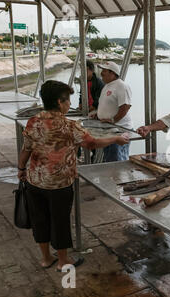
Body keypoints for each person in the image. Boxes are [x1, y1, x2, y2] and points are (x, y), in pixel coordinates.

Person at [17, 80, 129, 272]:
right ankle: (63, 261)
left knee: (40, 220)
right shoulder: (68, 125)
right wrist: (116, 138)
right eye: (67, 101)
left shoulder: (33, 121)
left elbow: (26, 148)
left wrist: (21, 169)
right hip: (59, 184)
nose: (69, 104)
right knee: (60, 221)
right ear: (60, 103)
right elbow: (92, 143)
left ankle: (45, 258)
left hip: (35, 181)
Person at [93, 61, 133, 162]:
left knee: (117, 161)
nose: (101, 73)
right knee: (110, 159)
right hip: (108, 130)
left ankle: (118, 178)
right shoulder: (107, 86)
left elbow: (125, 106)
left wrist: (113, 120)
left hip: (120, 130)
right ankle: (110, 177)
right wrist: (98, 115)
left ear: (112, 73)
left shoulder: (122, 86)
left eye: (104, 71)